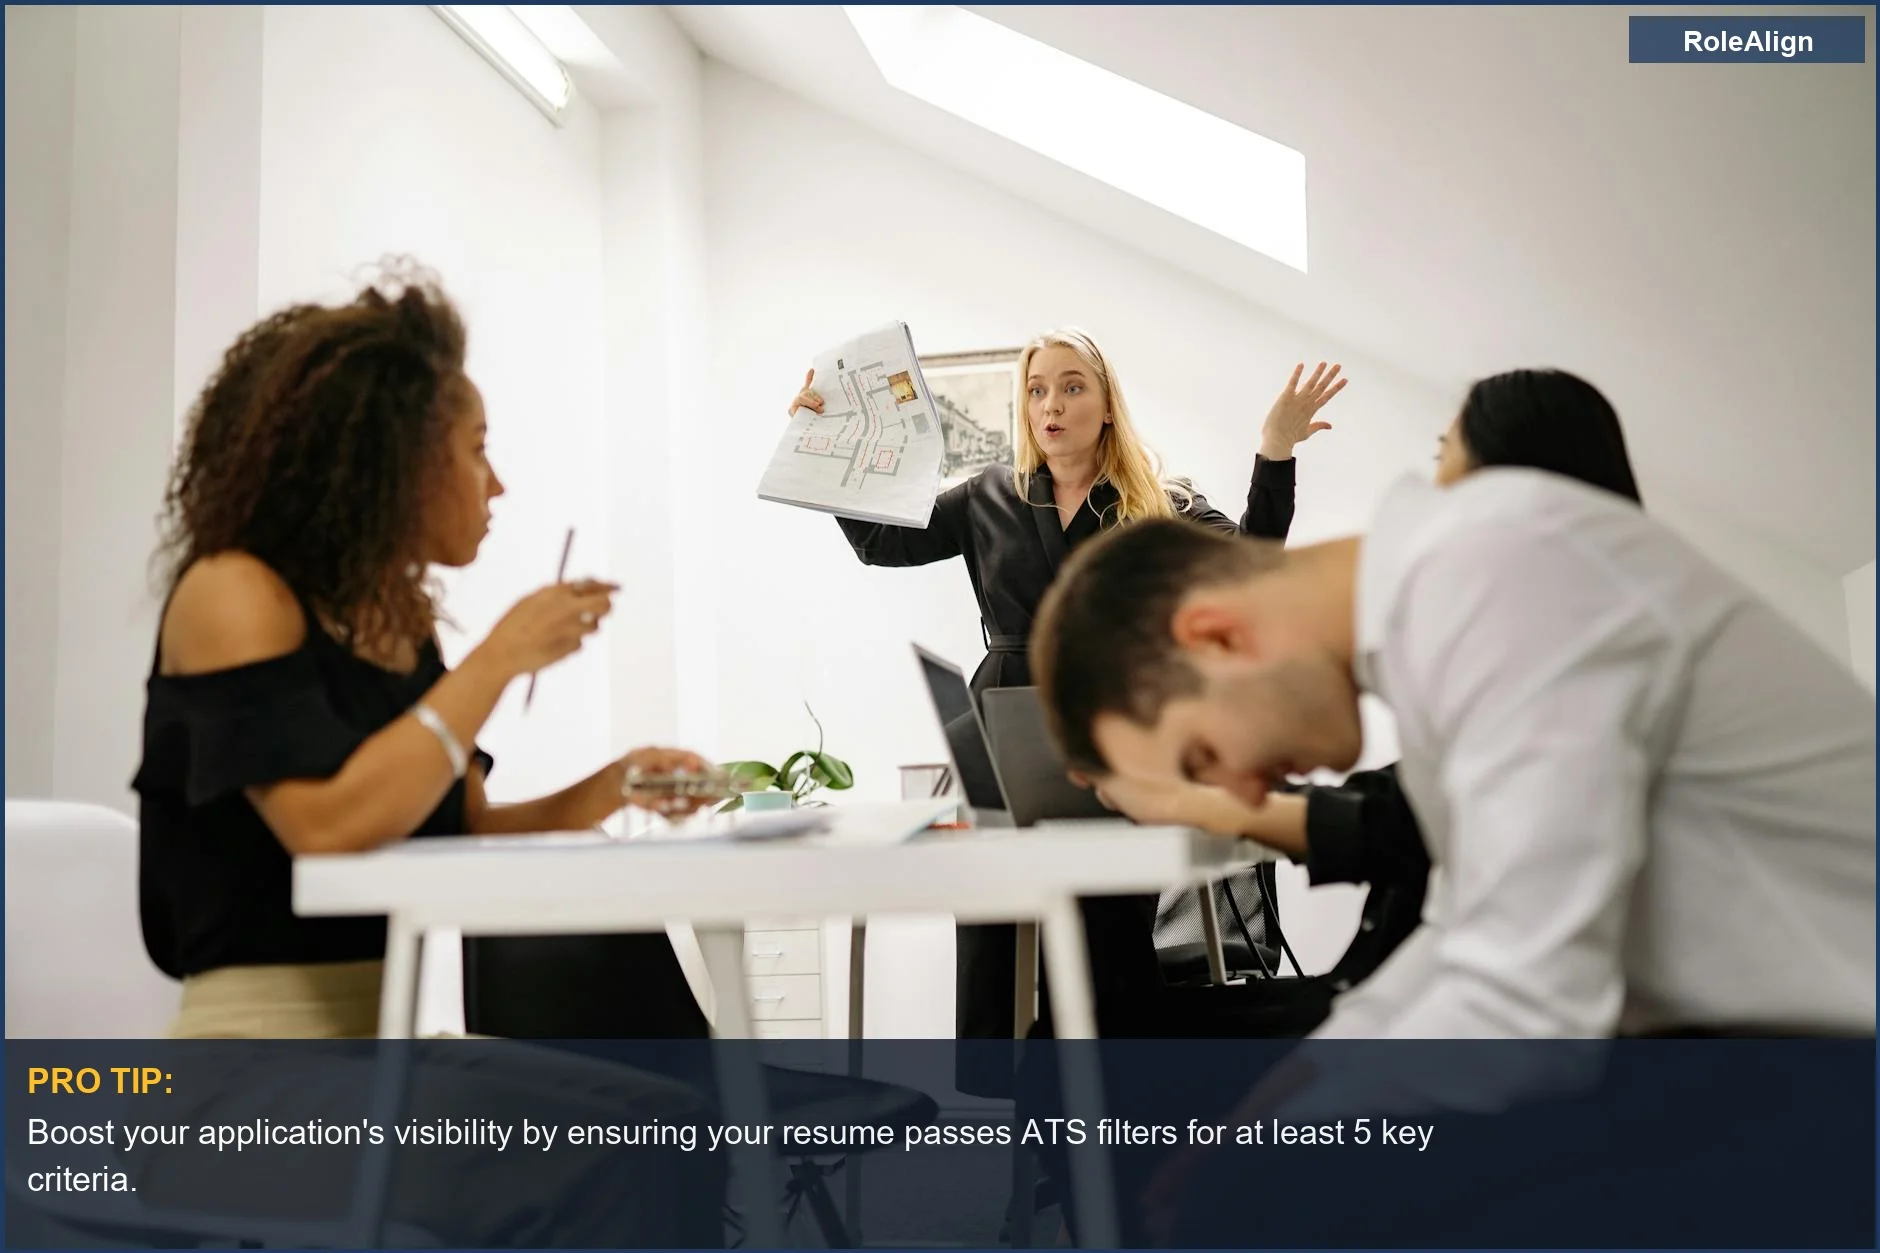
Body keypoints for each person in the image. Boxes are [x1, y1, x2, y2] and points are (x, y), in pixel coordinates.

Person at [129, 263, 727, 1246]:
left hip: (376, 1051)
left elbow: (459, 826)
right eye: (476, 449)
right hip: (237, 1085)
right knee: (598, 1159)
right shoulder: (230, 594)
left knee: (675, 1125)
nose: (497, 483)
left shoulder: (399, 625)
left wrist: (613, 785)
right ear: (390, 461)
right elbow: (328, 825)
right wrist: (495, 659)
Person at [789, 329, 1348, 1070]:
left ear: (1108, 404)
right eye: (1037, 389)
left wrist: (1275, 451)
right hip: (1003, 728)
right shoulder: (987, 494)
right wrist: (828, 443)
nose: (1051, 404)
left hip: (1113, 735)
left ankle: (1104, 1097)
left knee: (1103, 923)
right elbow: (880, 544)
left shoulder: (1160, 503)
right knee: (994, 917)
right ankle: (1013, 1105)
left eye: (1072, 386)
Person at [1090, 369, 1648, 900]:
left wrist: (1211, 804)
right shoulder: (1536, 620)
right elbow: (1417, 809)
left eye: (1443, 458)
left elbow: (1439, 836)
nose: (1433, 489)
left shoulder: (1578, 648)